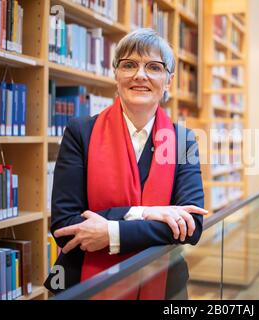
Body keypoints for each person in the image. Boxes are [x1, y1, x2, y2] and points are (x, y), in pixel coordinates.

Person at [44, 28, 208, 299]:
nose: (140, 75)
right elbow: (65, 228)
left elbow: (191, 226)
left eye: (154, 67)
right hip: (83, 286)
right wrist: (145, 213)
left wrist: (110, 231)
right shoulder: (80, 132)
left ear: (168, 81)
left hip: (165, 285)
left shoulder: (182, 140)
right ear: (116, 74)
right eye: (129, 65)